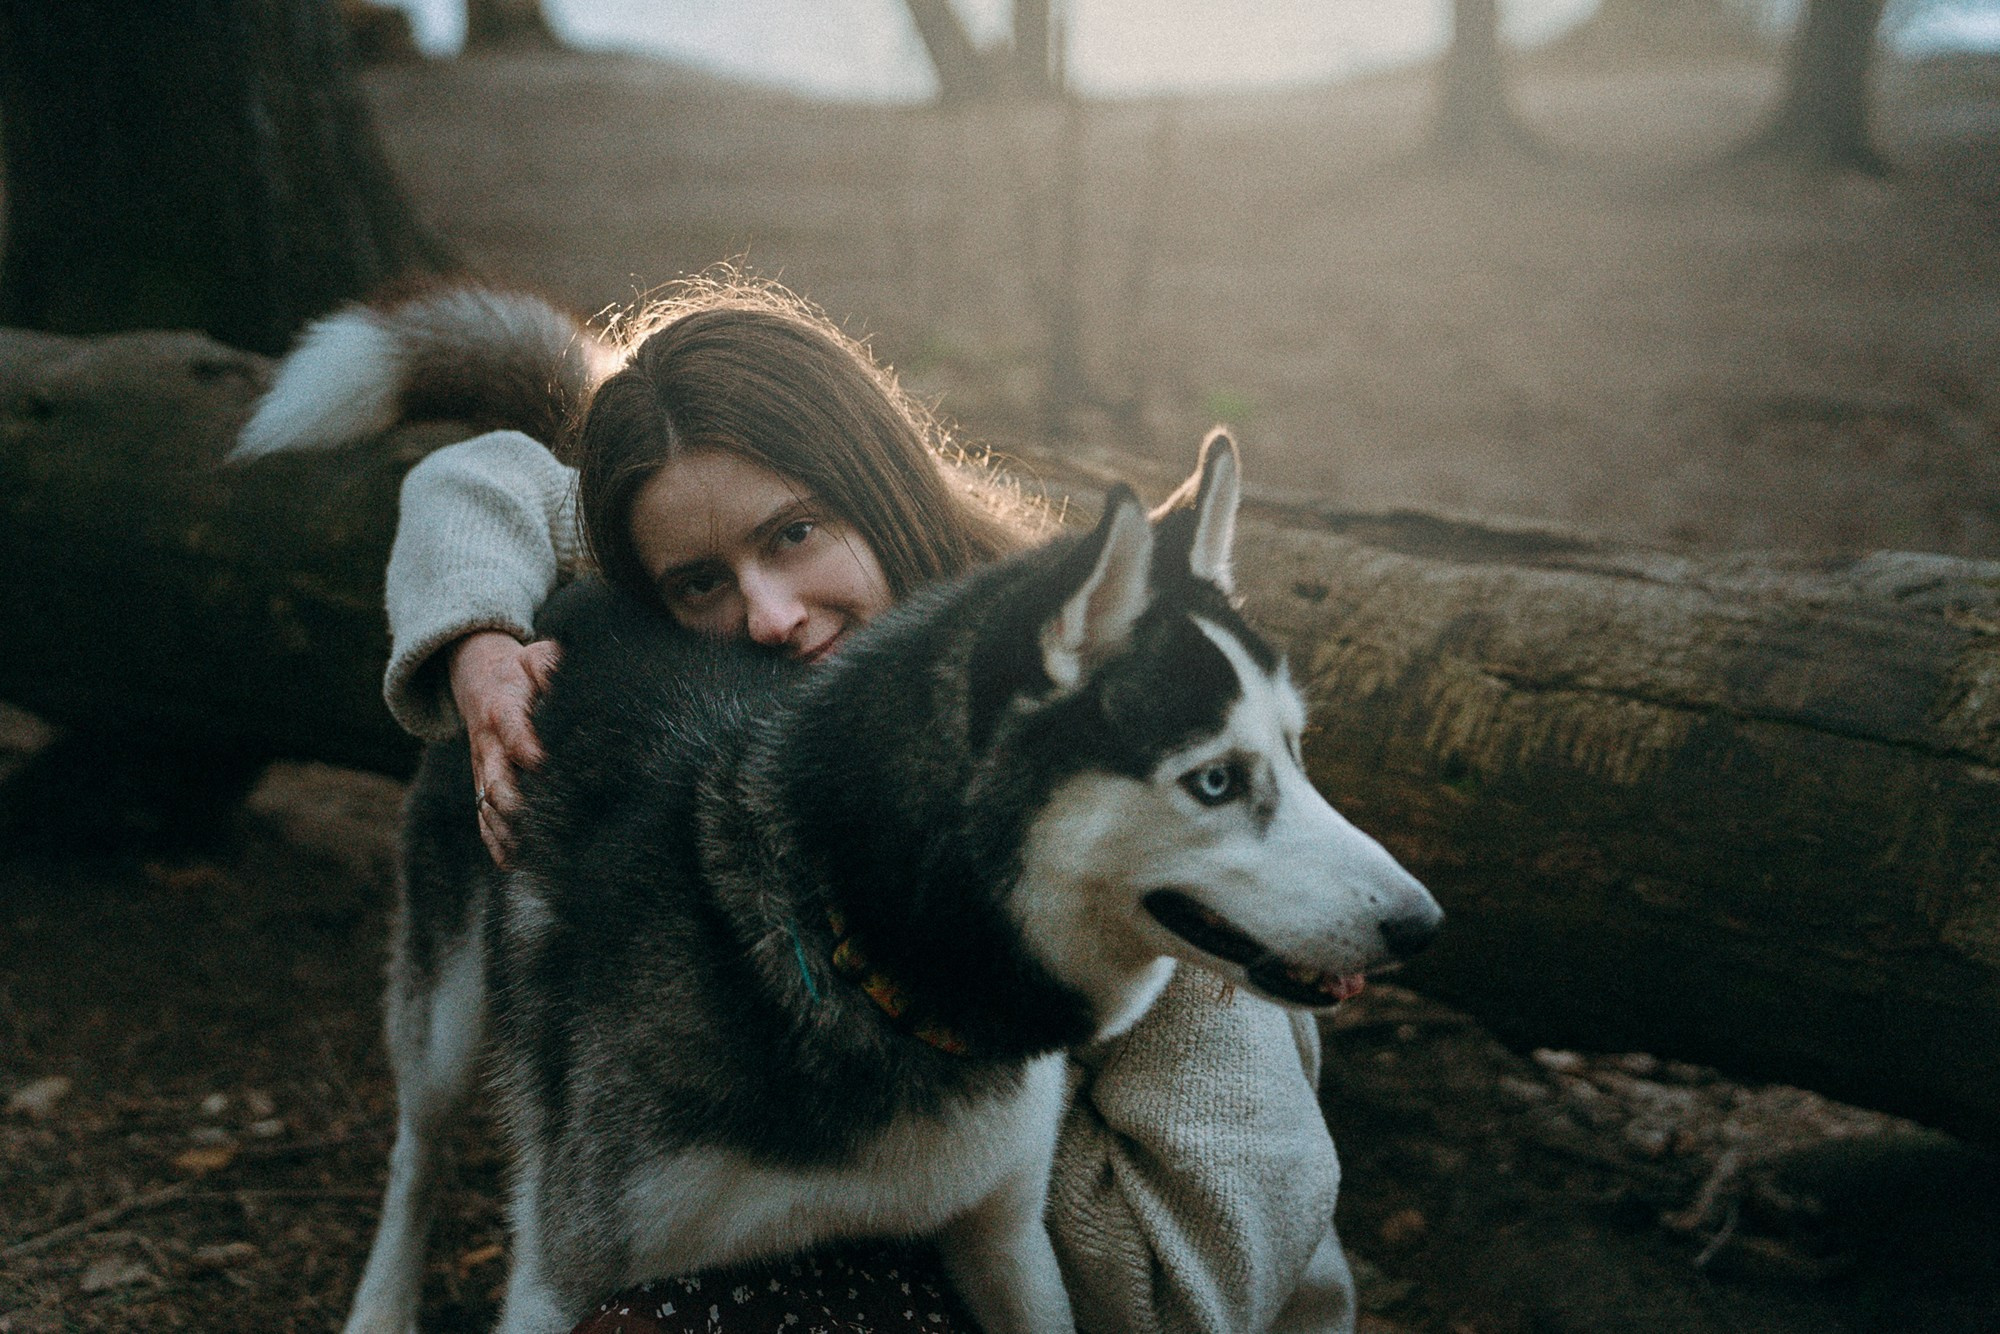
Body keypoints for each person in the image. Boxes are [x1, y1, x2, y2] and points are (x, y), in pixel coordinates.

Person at [381, 276, 1357, 1334]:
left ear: (883, 488)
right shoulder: (780, 687)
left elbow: (1174, 1296)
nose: (768, 615)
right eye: (700, 584)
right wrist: (479, 640)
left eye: (795, 533)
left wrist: (946, 1086)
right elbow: (483, 478)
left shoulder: (1115, 743)